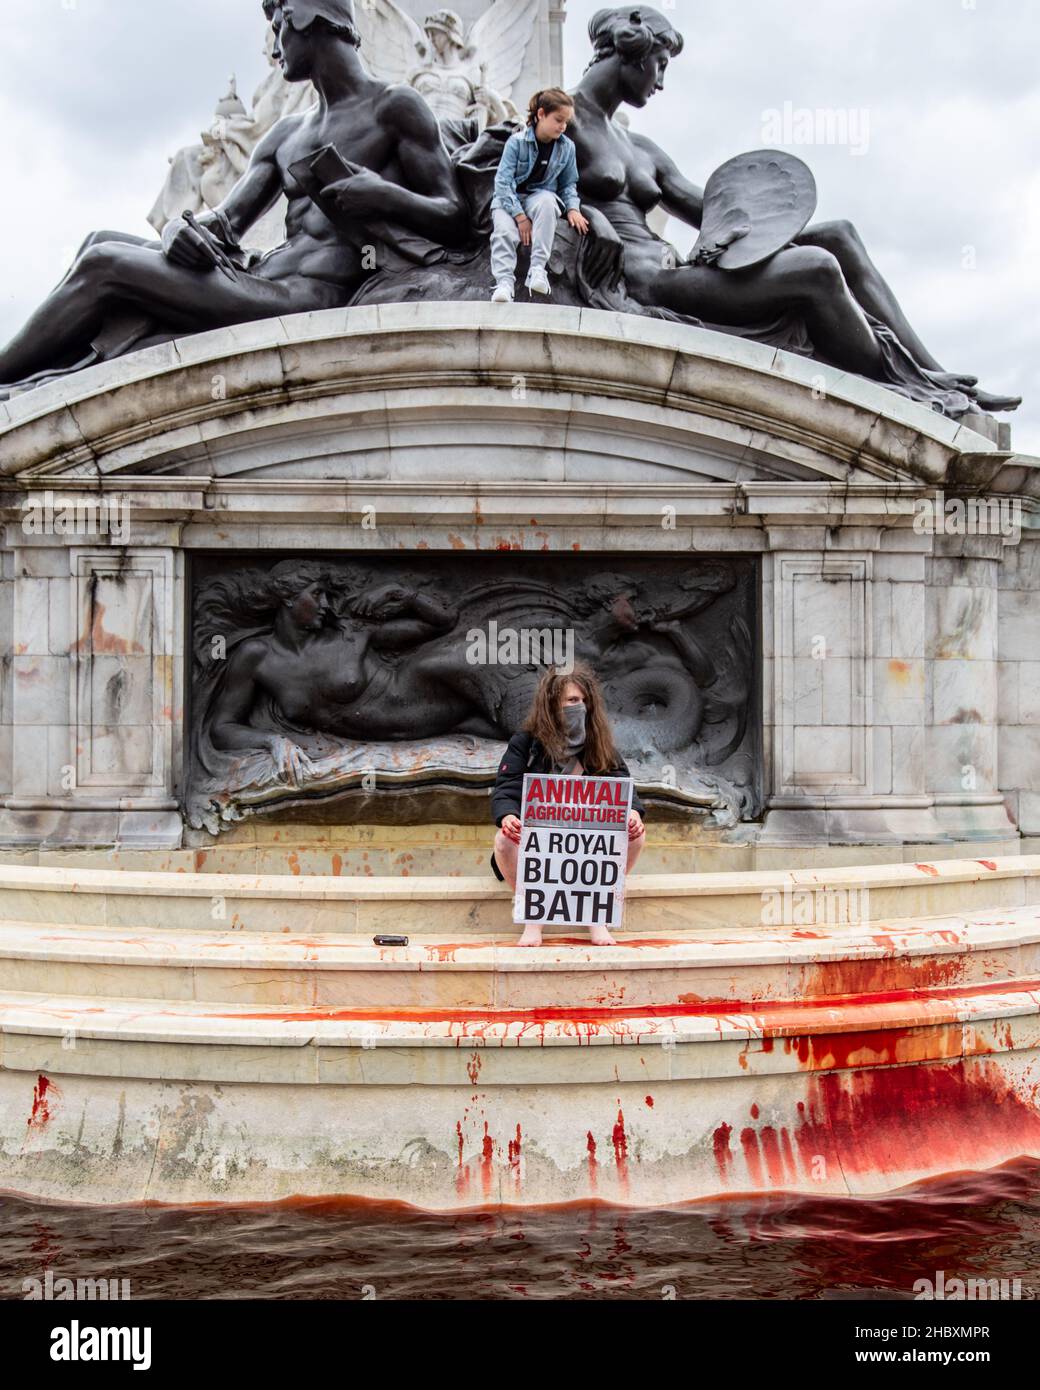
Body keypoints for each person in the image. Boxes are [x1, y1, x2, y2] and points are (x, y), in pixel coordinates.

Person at [565, 6, 1020, 415]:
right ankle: (910, 385)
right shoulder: (559, 118)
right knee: (817, 269)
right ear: (633, 50)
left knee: (838, 235)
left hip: (682, 269)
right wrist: (590, 217)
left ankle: (936, 372)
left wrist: (760, 216)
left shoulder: (640, 147)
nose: (661, 81)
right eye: (660, 65)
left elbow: (710, 211)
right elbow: (502, 176)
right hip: (649, 284)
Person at [0, 0, 469, 393]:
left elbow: (453, 215)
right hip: (257, 276)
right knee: (97, 239)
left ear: (303, 19)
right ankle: (30, 388)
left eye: (278, 27)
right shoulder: (287, 132)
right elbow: (224, 222)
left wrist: (383, 195)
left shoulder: (395, 106)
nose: (274, 45)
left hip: (306, 298)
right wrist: (175, 228)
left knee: (103, 263)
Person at [490, 663, 646, 947]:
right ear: (552, 705)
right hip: (538, 843)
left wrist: (633, 812)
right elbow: (506, 788)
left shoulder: (600, 744)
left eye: (585, 701)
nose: (581, 708)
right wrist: (508, 817)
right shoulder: (525, 743)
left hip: (588, 843)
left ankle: (596, 914)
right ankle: (532, 916)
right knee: (503, 841)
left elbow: (623, 786)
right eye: (572, 701)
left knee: (637, 835)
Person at [489, 88, 590, 302]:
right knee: (504, 232)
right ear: (541, 114)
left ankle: (537, 269)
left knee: (547, 201)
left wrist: (573, 208)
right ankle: (504, 283)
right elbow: (502, 183)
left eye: (566, 122)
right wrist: (520, 217)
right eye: (558, 120)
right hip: (509, 200)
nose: (563, 127)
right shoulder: (516, 142)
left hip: (538, 198)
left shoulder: (567, 148)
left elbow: (568, 184)